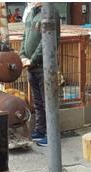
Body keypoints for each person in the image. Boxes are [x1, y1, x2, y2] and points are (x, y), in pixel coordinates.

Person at [19, 3, 60, 147]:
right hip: (31, 66)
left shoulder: (50, 12)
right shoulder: (31, 13)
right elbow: (25, 36)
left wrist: (33, 59)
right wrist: (22, 55)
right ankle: (40, 130)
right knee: (38, 101)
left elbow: (47, 40)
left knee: (49, 101)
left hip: (44, 66)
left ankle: (51, 134)